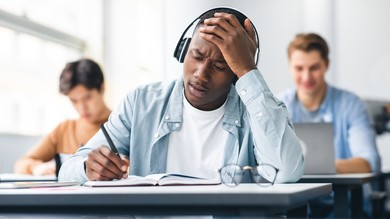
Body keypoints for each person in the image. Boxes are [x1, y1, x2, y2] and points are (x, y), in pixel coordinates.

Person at [59, 8, 304, 186]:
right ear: (182, 50)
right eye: (196, 56)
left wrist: (248, 72)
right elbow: (68, 170)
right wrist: (87, 167)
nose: (201, 74)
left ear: (235, 74)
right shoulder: (141, 103)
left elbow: (286, 172)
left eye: (220, 67)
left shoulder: (259, 111)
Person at [278, 33, 381, 218]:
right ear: (289, 68)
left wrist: (324, 166)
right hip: (297, 205)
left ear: (326, 65)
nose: (306, 76)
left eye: (314, 67)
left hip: (344, 205)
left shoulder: (351, 104)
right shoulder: (279, 105)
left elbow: (369, 162)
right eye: (299, 68)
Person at [14, 58, 111, 176]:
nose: (82, 108)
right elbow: (21, 163)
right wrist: (36, 167)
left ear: (102, 88)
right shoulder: (64, 129)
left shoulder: (122, 126)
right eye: (74, 100)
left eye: (87, 98)